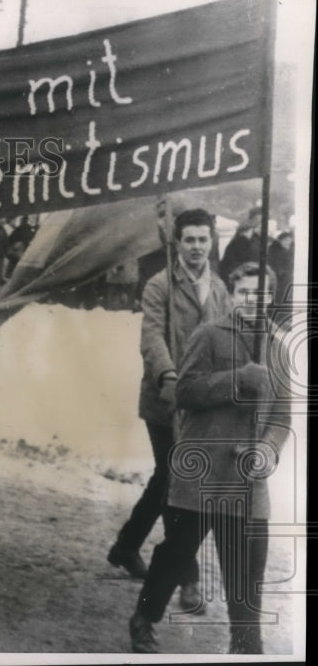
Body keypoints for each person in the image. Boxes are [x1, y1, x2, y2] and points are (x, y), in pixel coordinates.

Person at [129, 262, 288, 654]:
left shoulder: (278, 347)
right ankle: (144, 619)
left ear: (271, 296)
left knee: (247, 567)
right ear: (232, 295)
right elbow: (185, 392)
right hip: (200, 471)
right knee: (176, 555)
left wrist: (267, 450)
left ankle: (246, 644)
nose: (253, 301)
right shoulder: (209, 334)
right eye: (245, 292)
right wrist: (237, 380)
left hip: (246, 476)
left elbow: (282, 416)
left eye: (262, 293)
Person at [108, 208, 231, 609]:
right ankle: (187, 577)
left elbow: (227, 339)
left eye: (203, 239)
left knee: (167, 479)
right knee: (181, 480)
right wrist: (168, 378)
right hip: (165, 401)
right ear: (177, 243)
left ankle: (126, 546)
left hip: (201, 404)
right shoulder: (160, 284)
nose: (196, 247)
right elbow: (151, 338)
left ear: (212, 243)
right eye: (189, 240)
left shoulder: (220, 290)